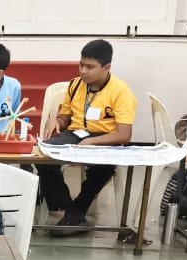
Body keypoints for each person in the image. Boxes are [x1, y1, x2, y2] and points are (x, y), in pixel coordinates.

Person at [39, 39, 137, 234]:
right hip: (76, 132)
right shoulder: (75, 85)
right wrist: (55, 120)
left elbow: (124, 135)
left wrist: (93, 141)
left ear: (106, 67)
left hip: (106, 137)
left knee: (104, 165)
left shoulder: (121, 91)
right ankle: (69, 210)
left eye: (90, 67)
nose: (83, 71)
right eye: (81, 65)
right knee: (44, 155)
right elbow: (65, 118)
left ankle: (77, 210)